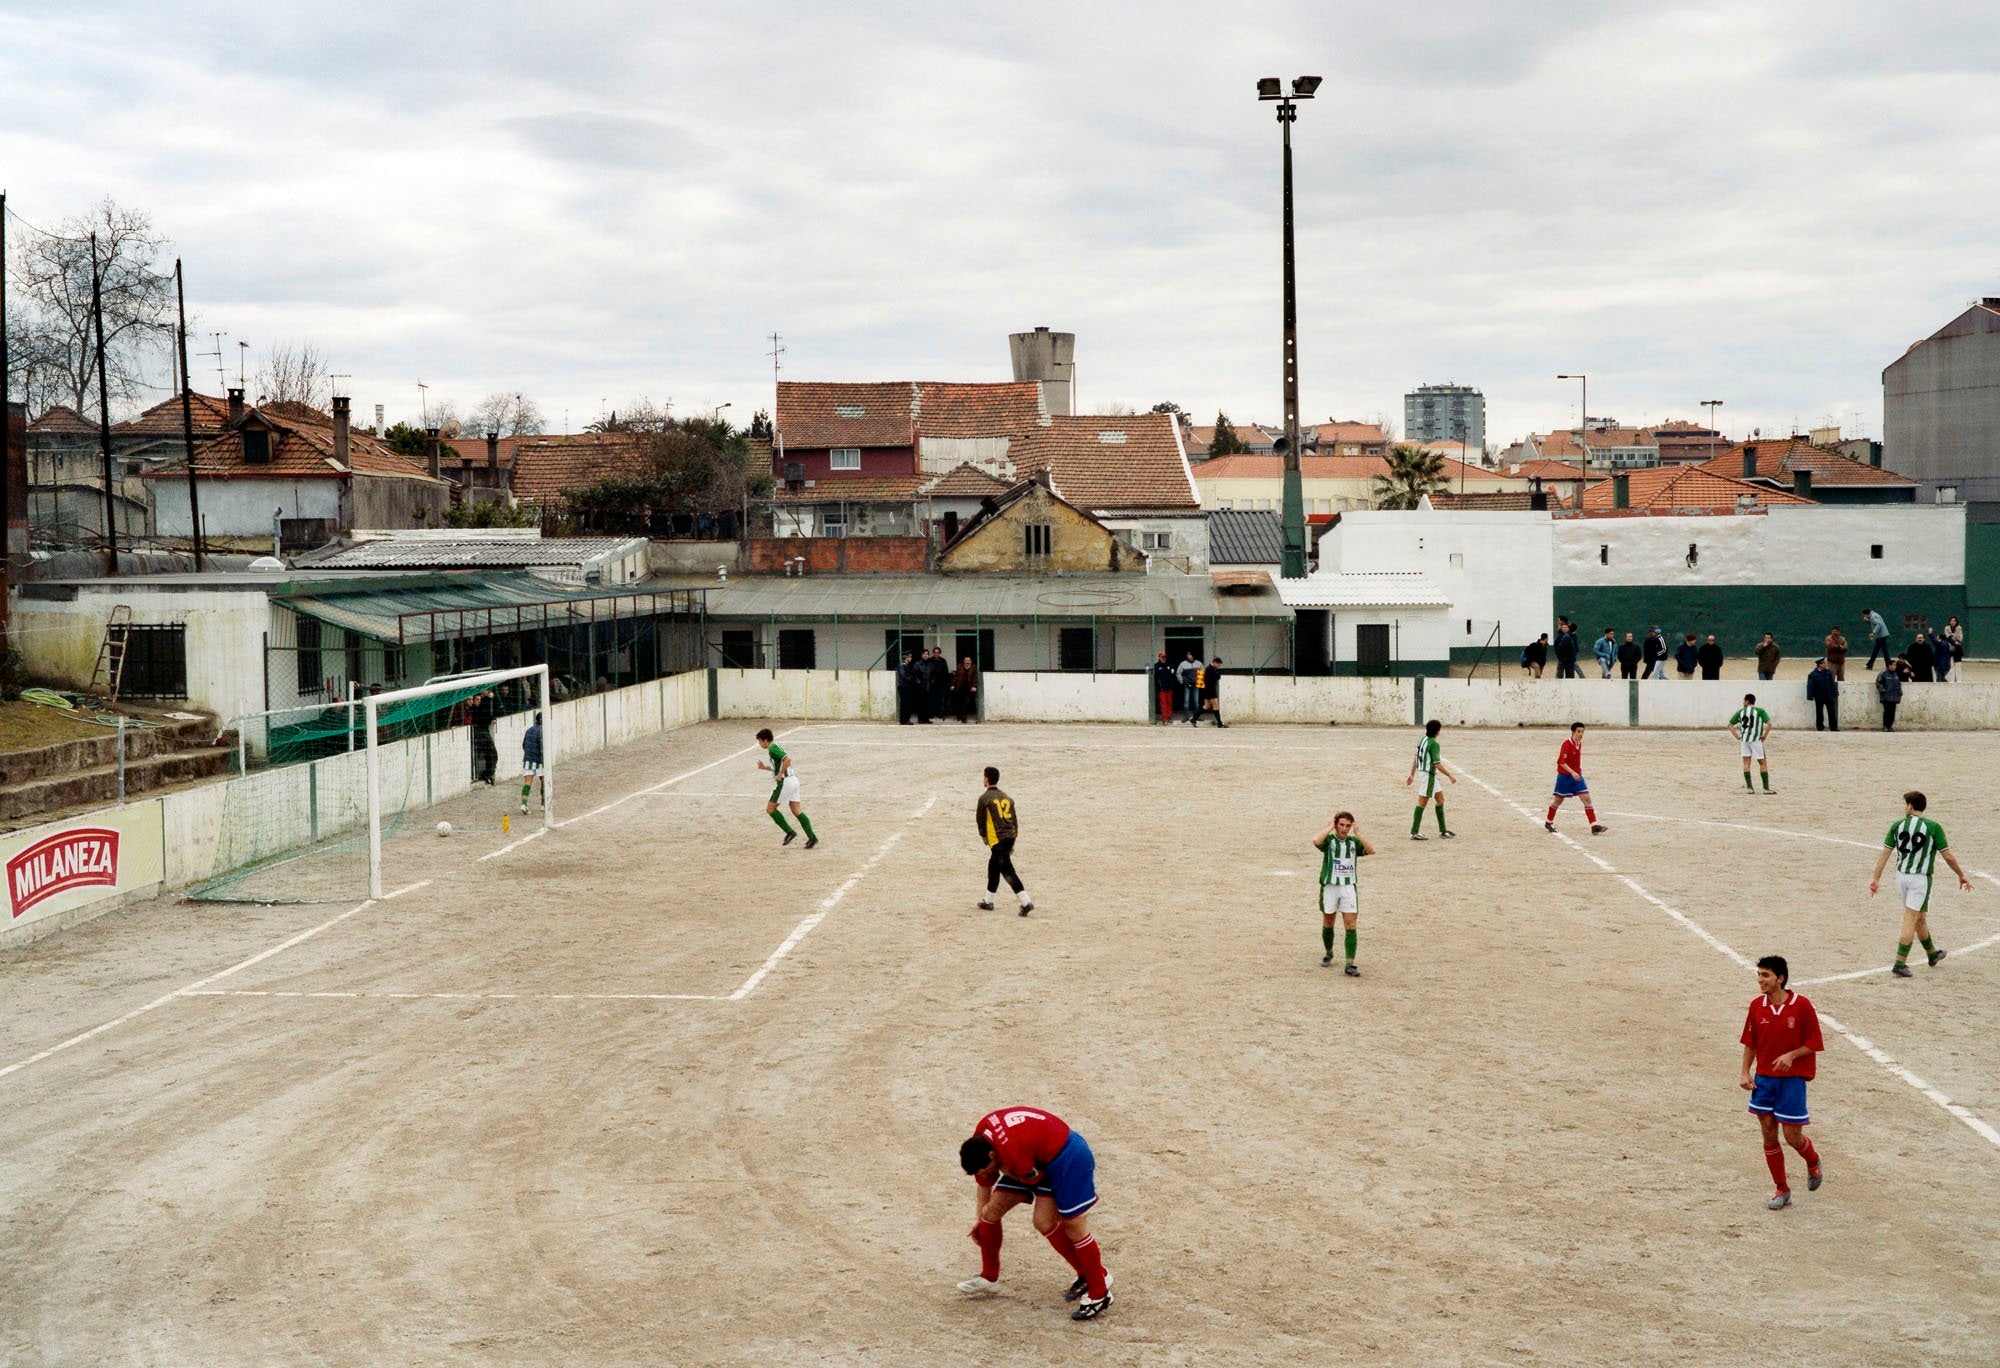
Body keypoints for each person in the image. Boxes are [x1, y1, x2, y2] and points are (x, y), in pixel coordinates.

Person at [958, 1105, 1111, 1320]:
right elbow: (984, 1183)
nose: (987, 1175)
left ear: (993, 1156)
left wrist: (1007, 1170)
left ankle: (1099, 1289)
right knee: (991, 1212)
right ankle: (989, 1278)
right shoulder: (982, 1139)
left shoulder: (1010, 1152)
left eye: (987, 1169)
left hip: (1066, 1158)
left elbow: (1034, 1178)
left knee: (1069, 1225)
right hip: (1035, 1157)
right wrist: (980, 1220)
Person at [1738, 955, 1824, 1211]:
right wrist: (1744, 1072)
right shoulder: (1756, 1006)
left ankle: (1812, 1159)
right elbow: (1750, 1042)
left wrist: (1791, 1055)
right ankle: (1782, 1188)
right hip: (1764, 1080)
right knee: (1767, 1133)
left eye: (1765, 975)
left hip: (1792, 1082)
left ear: (1781, 978)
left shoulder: (1802, 1006)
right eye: (1759, 975)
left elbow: (1815, 1043)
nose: (1760, 980)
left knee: (1792, 1137)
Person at [1869, 790, 1973, 978]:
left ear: (1910, 806)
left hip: (1901, 877)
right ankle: (1899, 963)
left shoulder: (1897, 825)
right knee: (1911, 917)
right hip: (1920, 879)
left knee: (1918, 916)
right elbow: (1947, 855)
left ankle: (1932, 953)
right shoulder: (1933, 827)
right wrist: (1961, 874)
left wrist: (1876, 878)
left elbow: (1885, 853)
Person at [1313, 810, 1375, 975]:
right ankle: (1329, 953)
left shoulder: (1354, 842)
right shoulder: (1330, 841)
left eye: (1347, 825)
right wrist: (1329, 828)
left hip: (1348, 887)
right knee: (1328, 922)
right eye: (1341, 825)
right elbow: (1316, 841)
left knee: (1351, 924)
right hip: (1330, 886)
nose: (1344, 828)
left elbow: (1371, 850)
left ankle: (1350, 964)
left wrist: (1358, 833)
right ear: (1336, 825)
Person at [975, 765, 1031, 914]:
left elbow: (980, 822)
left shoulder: (984, 799)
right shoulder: (1007, 797)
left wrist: (984, 837)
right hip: (1010, 836)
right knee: (993, 867)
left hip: (998, 840)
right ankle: (989, 901)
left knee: (1007, 871)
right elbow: (1015, 820)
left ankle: (1026, 902)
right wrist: (1013, 839)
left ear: (986, 779)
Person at [755, 727, 817, 848]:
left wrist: (779, 774)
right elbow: (780, 764)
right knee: (796, 810)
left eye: (759, 741)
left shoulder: (772, 749)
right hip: (793, 780)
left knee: (770, 809)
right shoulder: (776, 746)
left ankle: (789, 832)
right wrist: (765, 768)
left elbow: (787, 759)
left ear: (765, 740)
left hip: (786, 782)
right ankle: (812, 838)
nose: (759, 744)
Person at [1545, 722, 1606, 834]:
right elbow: (1561, 762)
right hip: (1564, 777)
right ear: (1573, 732)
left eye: (1582, 732)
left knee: (1587, 799)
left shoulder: (1579, 744)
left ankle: (1594, 826)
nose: (1581, 734)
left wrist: (1576, 773)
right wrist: (1572, 772)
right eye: (1578, 731)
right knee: (1558, 801)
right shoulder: (1566, 744)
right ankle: (1549, 822)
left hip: (1577, 776)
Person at [1404, 717, 1457, 840]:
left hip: (1426, 775)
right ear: (1437, 731)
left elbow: (1416, 758)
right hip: (1428, 775)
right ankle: (1414, 832)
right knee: (1422, 802)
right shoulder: (1434, 744)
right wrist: (1450, 775)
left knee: (1440, 799)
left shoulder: (1422, 740)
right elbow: (1437, 764)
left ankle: (1443, 831)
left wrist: (1412, 774)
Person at [1729, 692, 1775, 794]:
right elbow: (1769, 723)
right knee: (1762, 763)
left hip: (1744, 740)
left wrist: (1737, 736)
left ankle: (1750, 788)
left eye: (1744, 700)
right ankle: (1766, 788)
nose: (1743, 702)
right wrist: (1764, 735)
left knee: (1746, 763)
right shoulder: (1760, 711)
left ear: (1747, 701)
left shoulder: (1741, 711)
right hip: (1755, 740)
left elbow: (1730, 724)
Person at [467, 690, 498, 785]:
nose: (478, 701)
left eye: (479, 699)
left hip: (485, 732)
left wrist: (493, 718)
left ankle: (489, 774)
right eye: (476, 699)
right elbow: (480, 719)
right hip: (478, 734)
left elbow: (489, 715)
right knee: (481, 756)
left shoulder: (482, 708)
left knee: (493, 754)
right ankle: (485, 775)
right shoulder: (471, 710)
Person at [519, 710, 545, 814]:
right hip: (539, 761)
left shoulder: (528, 730)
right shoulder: (543, 731)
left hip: (528, 760)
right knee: (544, 781)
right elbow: (542, 748)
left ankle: (524, 804)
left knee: (527, 783)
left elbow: (524, 744)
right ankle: (543, 804)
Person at [1805, 658, 1839, 732]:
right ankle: (1820, 727)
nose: (1825, 664)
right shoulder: (1813, 674)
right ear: (1819, 665)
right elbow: (1810, 686)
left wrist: (1835, 692)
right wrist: (1810, 696)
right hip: (1819, 696)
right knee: (1819, 713)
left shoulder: (1828, 673)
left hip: (1828, 695)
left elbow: (1832, 683)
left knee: (1832, 713)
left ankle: (1833, 727)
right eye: (1824, 663)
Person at [1196, 657, 1226, 727]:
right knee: (1215, 706)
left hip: (1208, 690)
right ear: (1215, 662)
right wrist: (1217, 672)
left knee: (1206, 706)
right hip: (1211, 690)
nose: (1218, 666)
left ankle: (1194, 718)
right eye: (1218, 665)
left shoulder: (1209, 668)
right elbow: (1218, 677)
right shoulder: (1211, 669)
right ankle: (1220, 723)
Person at [1875, 659, 1903, 731]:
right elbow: (1879, 683)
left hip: (1894, 697)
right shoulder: (1883, 673)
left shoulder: (1896, 674)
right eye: (1893, 665)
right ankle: (1885, 726)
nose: (1894, 667)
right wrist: (1883, 690)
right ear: (1889, 666)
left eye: (1895, 665)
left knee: (1892, 712)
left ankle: (1890, 726)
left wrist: (1900, 692)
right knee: (1887, 711)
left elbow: (1898, 684)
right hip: (1886, 697)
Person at [1151, 650, 1178, 725]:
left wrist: (1172, 684)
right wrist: (1159, 686)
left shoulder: (1170, 664)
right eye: (1162, 657)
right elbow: (1155, 678)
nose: (1164, 658)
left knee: (1169, 702)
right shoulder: (1156, 666)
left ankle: (1169, 716)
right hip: (1161, 688)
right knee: (1163, 703)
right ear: (1159, 657)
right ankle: (1164, 718)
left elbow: (1173, 675)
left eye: (1165, 657)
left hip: (1169, 687)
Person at [951, 656, 979, 722]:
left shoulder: (974, 667)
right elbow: (956, 677)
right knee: (959, 703)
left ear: (971, 661)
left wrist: (974, 686)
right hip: (960, 687)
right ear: (964, 661)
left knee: (966, 703)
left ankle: (964, 718)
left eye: (969, 660)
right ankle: (959, 716)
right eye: (966, 660)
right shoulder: (960, 666)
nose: (967, 662)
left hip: (968, 688)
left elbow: (975, 678)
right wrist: (953, 685)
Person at [927, 647, 952, 719]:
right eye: (935, 652)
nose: (936, 654)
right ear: (933, 653)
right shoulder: (929, 660)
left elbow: (945, 672)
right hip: (931, 683)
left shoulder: (943, 661)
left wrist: (946, 683)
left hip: (941, 684)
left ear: (940, 653)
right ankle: (931, 714)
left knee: (940, 700)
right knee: (931, 699)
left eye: (938, 652)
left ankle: (940, 714)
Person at [896, 651, 920, 725]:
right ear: (906, 657)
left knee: (908, 703)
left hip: (907, 686)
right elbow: (903, 676)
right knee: (904, 703)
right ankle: (903, 720)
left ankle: (906, 719)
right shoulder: (901, 665)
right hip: (903, 686)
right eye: (909, 656)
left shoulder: (907, 665)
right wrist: (911, 679)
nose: (911, 658)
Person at [1177, 651, 1201, 720]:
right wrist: (1182, 681)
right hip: (1187, 684)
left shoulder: (1198, 663)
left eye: (1190, 655)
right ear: (1186, 657)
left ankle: (1196, 716)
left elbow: (1203, 671)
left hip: (1196, 685)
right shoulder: (1183, 664)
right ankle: (1186, 717)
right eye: (1188, 656)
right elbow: (1178, 673)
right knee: (1186, 701)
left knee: (1196, 701)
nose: (1189, 657)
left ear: (1193, 656)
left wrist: (1200, 682)